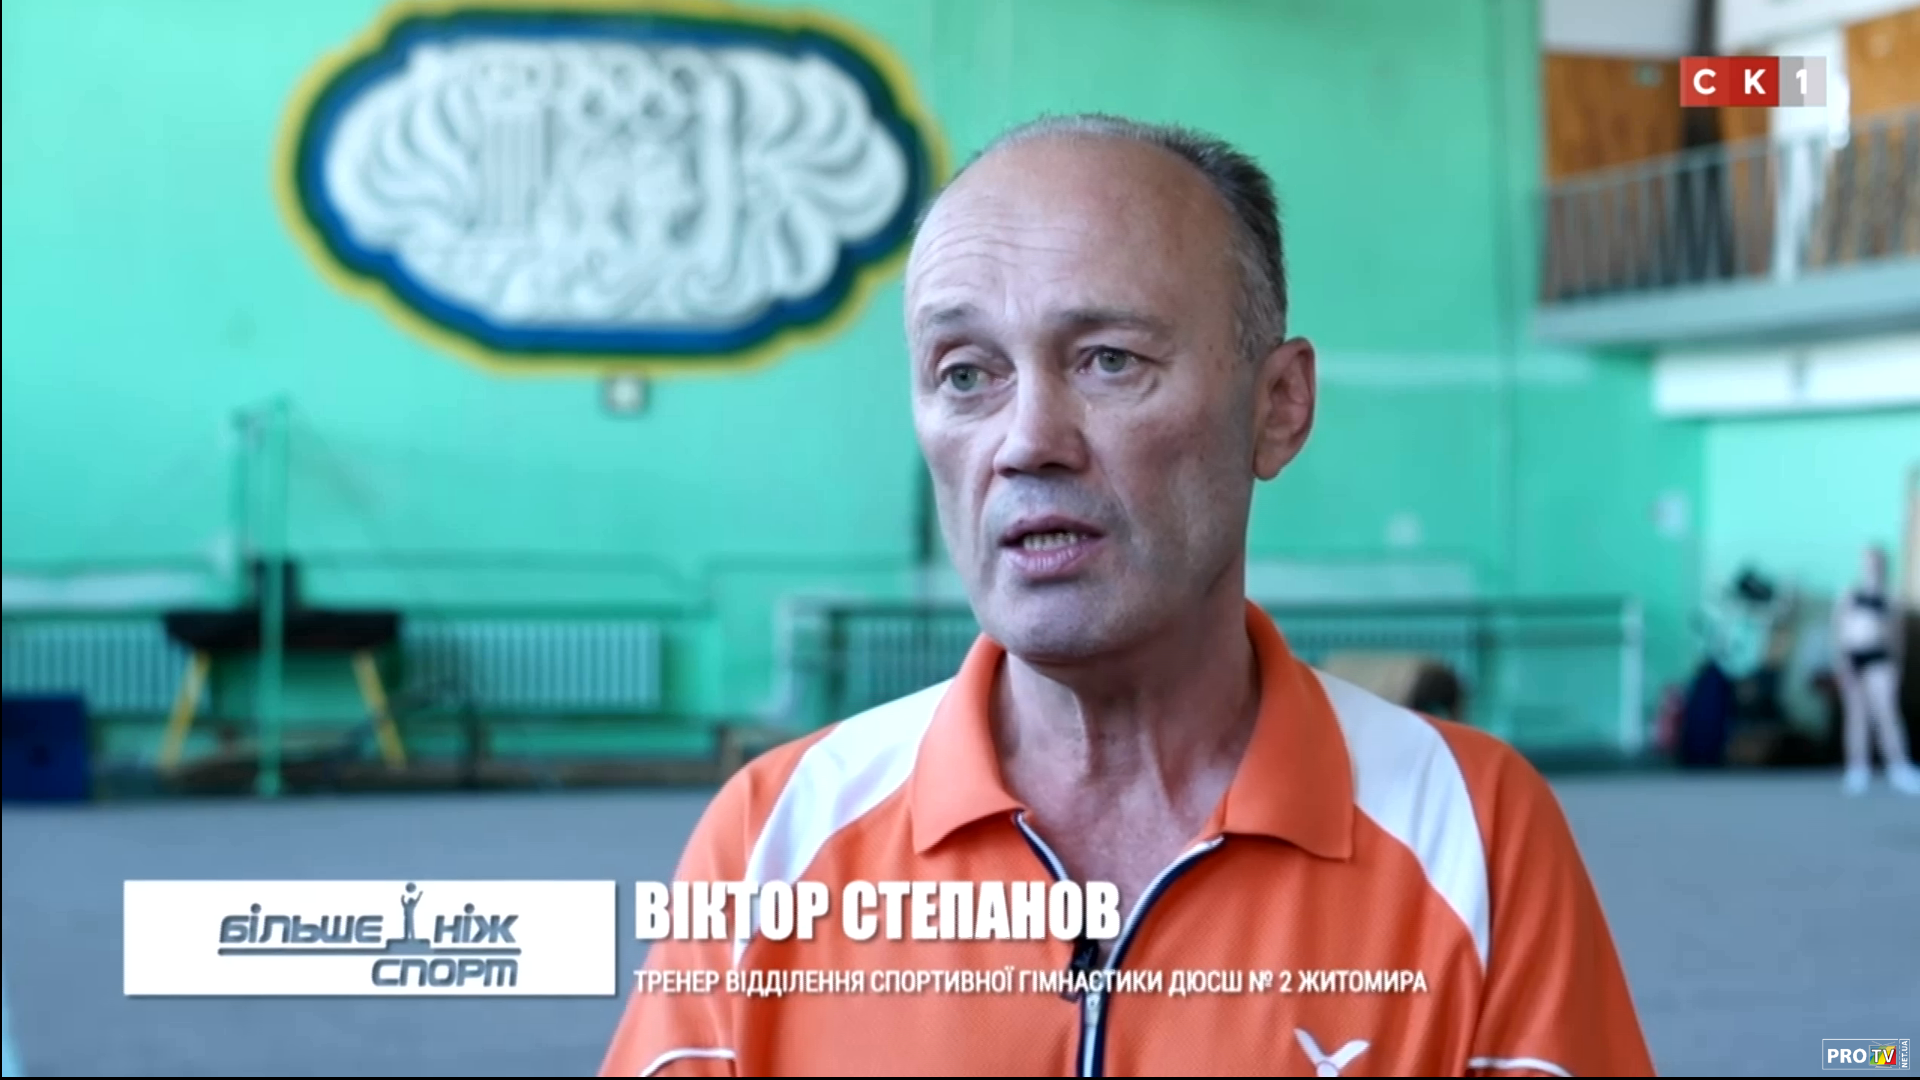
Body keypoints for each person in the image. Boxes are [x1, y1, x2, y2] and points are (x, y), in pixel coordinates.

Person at [601, 114, 1654, 1077]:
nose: (1026, 443)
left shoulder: (1471, 834)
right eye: (966, 373)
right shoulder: (776, 840)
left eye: (1108, 361)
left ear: (1279, 406)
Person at [1832, 544, 1919, 795]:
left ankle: (1899, 766)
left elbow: (1897, 636)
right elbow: (1839, 631)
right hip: (1854, 659)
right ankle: (1857, 768)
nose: (1873, 567)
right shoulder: (1850, 594)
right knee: (1856, 716)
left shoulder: (1891, 597)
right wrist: (1841, 664)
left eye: (1877, 563)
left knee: (1887, 714)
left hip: (1880, 660)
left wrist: (1897, 666)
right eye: (1869, 562)